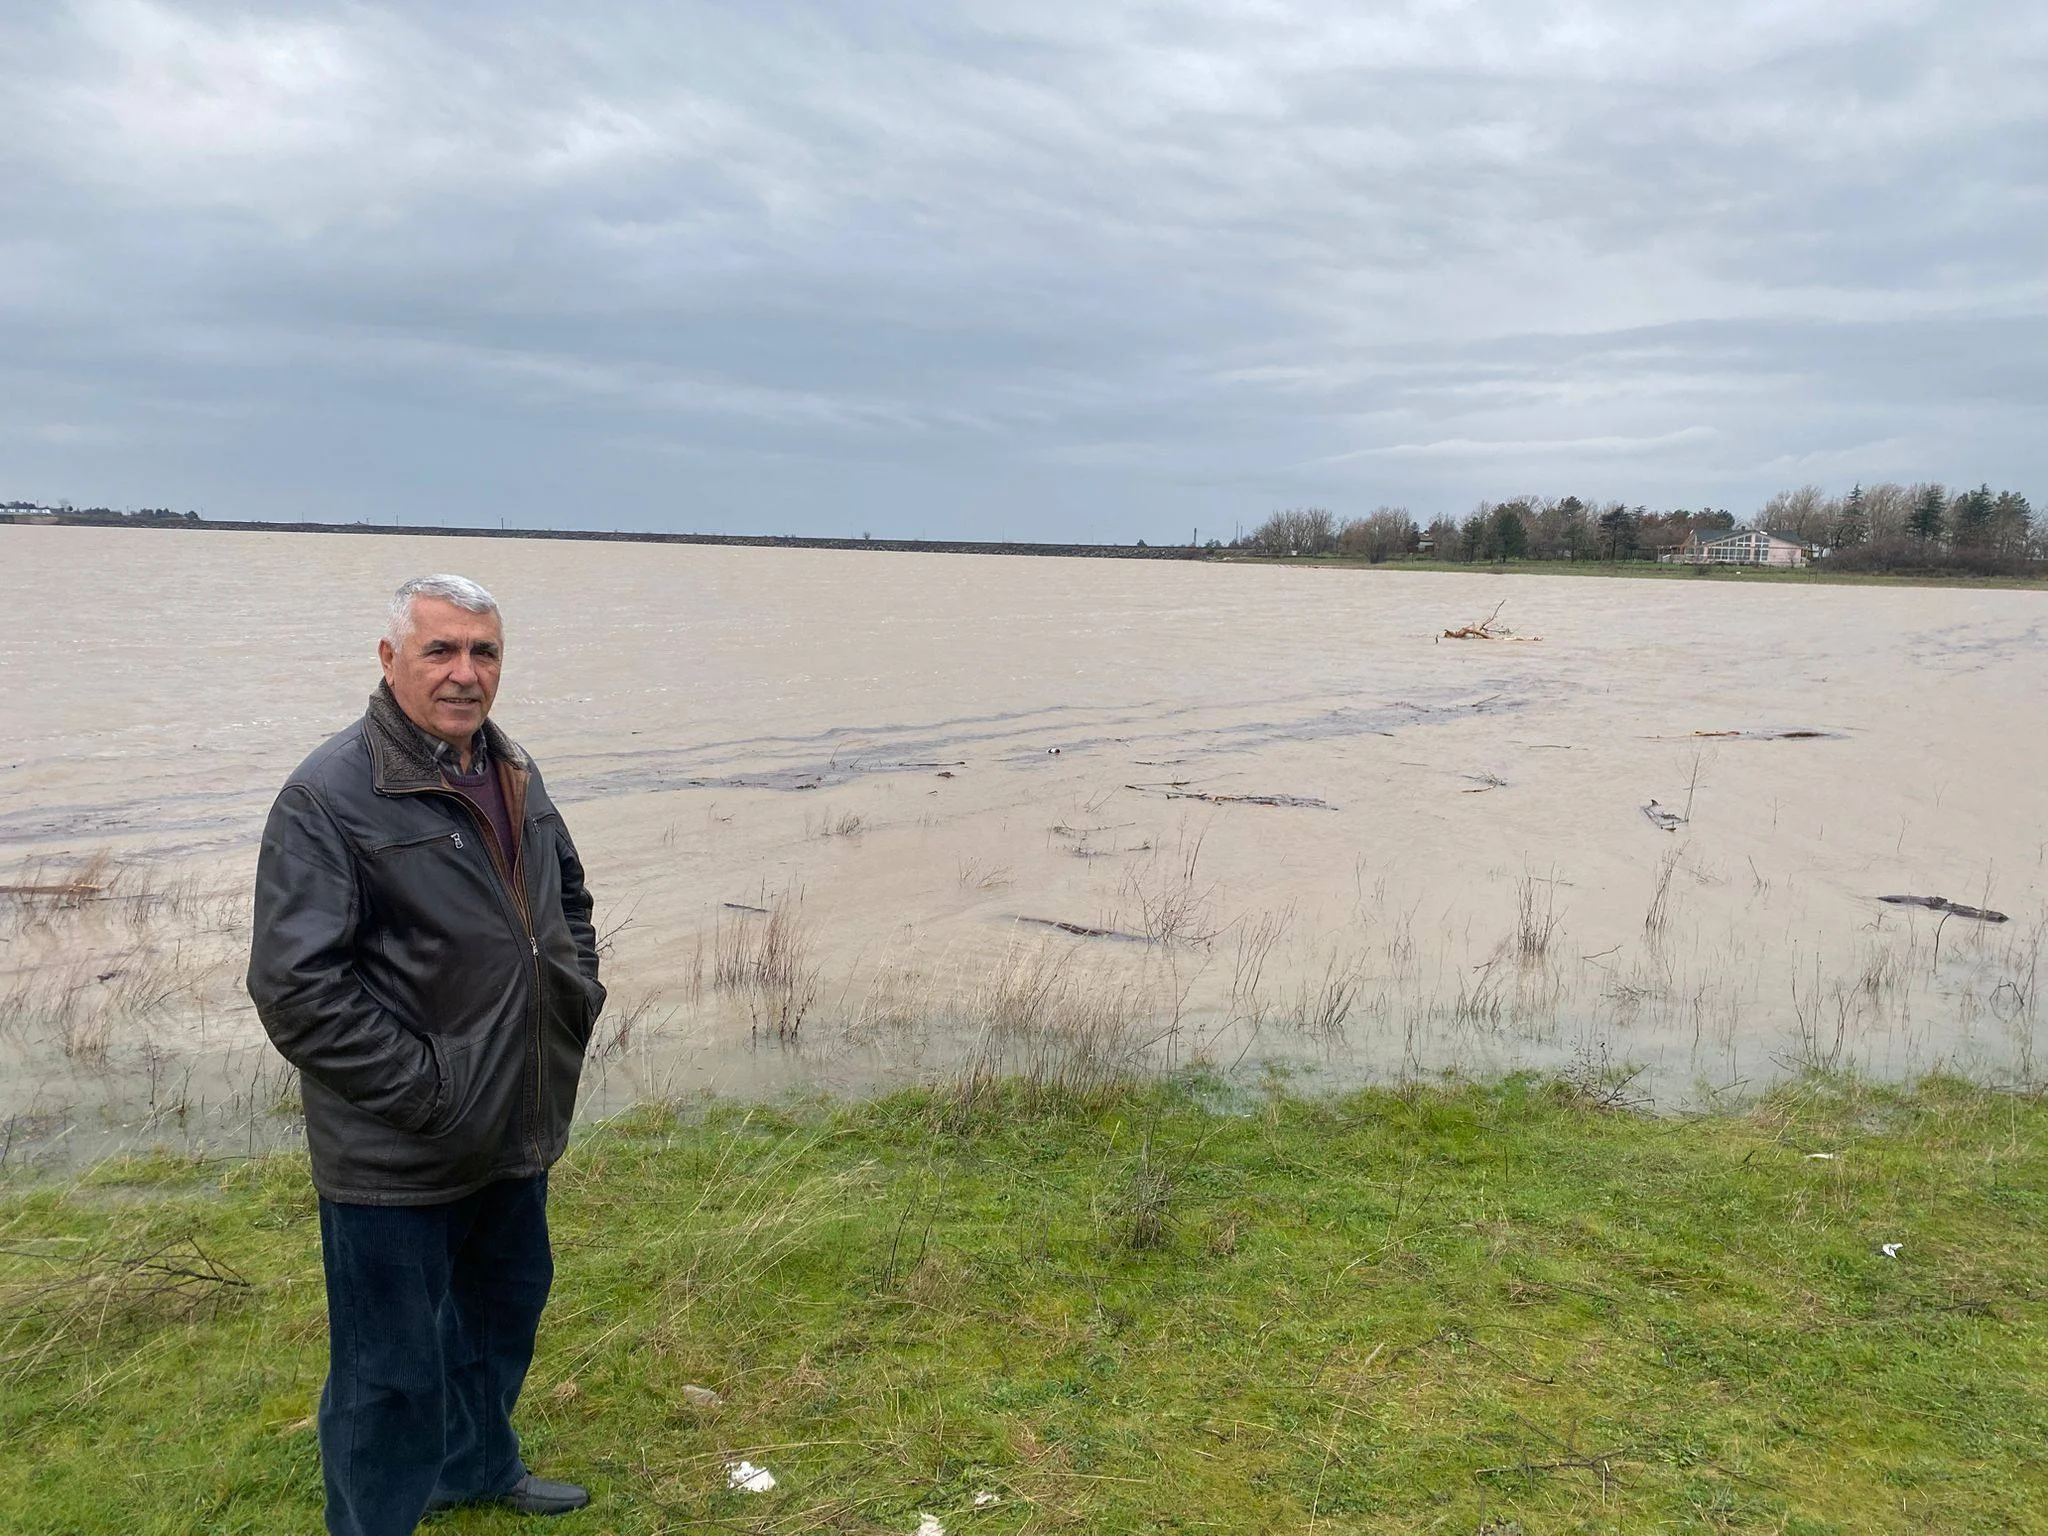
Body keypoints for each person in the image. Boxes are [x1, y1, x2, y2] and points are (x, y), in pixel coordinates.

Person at [248, 573, 606, 1535]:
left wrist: (573, 999)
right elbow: (296, 988)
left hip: (513, 1122)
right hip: (399, 1153)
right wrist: (434, 1092)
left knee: (498, 1320)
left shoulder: (509, 767)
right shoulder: (328, 795)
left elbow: (564, 898)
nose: (464, 673)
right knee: (388, 1375)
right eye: (439, 650)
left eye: (482, 652)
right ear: (389, 660)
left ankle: (477, 1468)